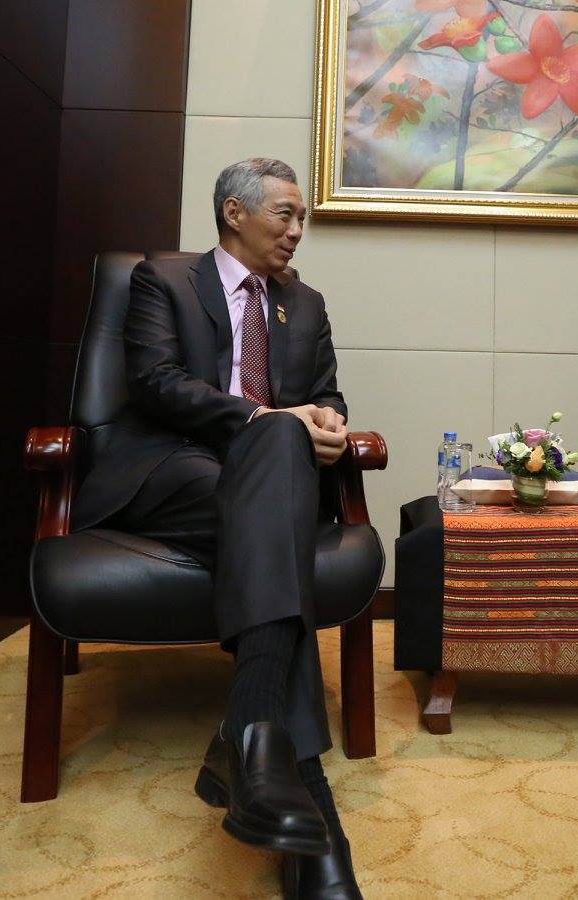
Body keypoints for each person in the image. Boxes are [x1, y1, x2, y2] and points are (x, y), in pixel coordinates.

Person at [70, 158, 362, 899]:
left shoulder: (309, 303)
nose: (299, 231)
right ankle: (313, 819)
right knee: (271, 452)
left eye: (302, 219)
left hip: (275, 483)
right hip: (173, 470)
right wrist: (267, 421)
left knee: (277, 463)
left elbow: (327, 394)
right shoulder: (161, 281)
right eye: (286, 215)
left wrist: (327, 424)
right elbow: (158, 384)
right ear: (234, 212)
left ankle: (253, 737)